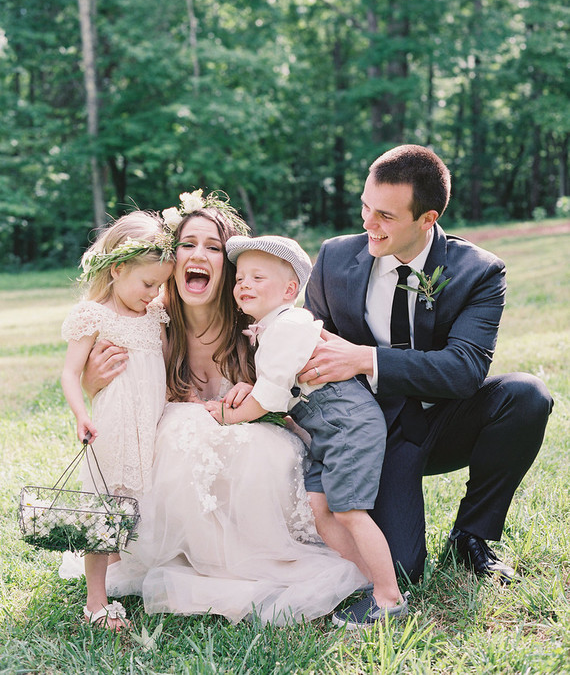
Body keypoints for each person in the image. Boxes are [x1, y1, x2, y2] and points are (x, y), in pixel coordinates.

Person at [82, 191, 366, 626]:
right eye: (187, 244)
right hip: (176, 458)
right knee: (179, 430)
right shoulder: (150, 320)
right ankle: (186, 551)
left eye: (213, 247)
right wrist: (91, 380)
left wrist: (256, 387)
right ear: (171, 259)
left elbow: (294, 387)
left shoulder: (257, 319)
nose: (198, 254)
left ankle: (247, 554)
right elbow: (113, 392)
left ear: (229, 266)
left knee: (261, 449)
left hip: (254, 441)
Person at [297, 143, 553, 625]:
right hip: (367, 434)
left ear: (427, 218)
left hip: (441, 420)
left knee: (527, 396)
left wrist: (365, 358)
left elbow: (464, 369)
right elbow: (309, 346)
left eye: (385, 216)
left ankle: (471, 537)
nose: (369, 223)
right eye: (365, 207)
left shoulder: (479, 271)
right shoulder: (333, 258)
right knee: (400, 570)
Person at [206, 234, 409, 628]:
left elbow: (269, 397)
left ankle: (389, 596)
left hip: (347, 423)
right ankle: (365, 581)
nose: (244, 284)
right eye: (240, 278)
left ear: (289, 290)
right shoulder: (271, 330)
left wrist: (227, 416)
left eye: (257, 278)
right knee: (320, 509)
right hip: (326, 429)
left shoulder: (290, 324)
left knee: (349, 511)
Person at [61, 210, 175, 629]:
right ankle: (96, 601)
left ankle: (134, 568)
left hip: (151, 423)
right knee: (103, 508)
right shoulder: (93, 315)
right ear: (118, 268)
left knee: (141, 501)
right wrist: (80, 414)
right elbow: (70, 372)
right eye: (148, 284)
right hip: (114, 425)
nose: (154, 293)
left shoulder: (155, 316)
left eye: (160, 285)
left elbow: (165, 368)